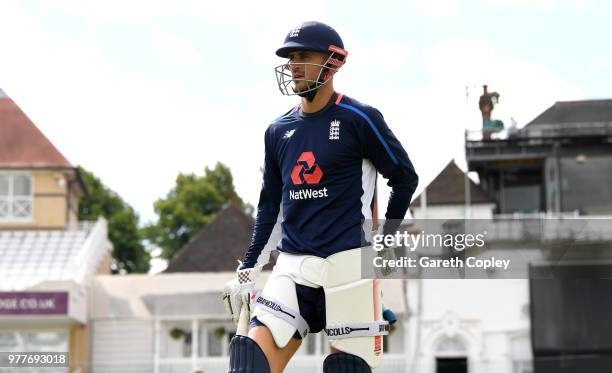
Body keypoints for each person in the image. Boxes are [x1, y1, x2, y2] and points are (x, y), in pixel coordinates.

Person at [223, 21, 418, 373]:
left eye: (303, 56)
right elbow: (270, 207)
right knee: (248, 363)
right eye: (290, 57)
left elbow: (404, 178)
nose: (293, 64)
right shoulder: (277, 131)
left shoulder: (361, 119)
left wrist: (384, 240)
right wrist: (249, 268)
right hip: (293, 270)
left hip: (350, 269)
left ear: (333, 62)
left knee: (346, 369)